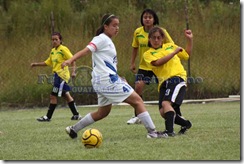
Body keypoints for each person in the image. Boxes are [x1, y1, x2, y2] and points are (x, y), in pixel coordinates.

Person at [62, 14, 167, 139]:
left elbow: (106, 64)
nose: (117, 28)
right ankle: (152, 132)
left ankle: (74, 129)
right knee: (138, 101)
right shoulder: (101, 38)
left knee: (102, 112)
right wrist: (70, 60)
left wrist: (119, 77)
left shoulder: (107, 41)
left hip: (103, 80)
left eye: (118, 25)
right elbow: (86, 50)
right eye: (114, 25)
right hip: (107, 80)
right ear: (105, 26)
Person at [127, 8, 174, 125]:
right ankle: (138, 116)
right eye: (145, 17)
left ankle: (174, 112)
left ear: (154, 19)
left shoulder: (161, 31)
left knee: (166, 89)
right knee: (138, 88)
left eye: (150, 17)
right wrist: (132, 62)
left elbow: (171, 45)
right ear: (142, 19)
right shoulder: (138, 32)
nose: (147, 19)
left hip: (160, 65)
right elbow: (135, 47)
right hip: (145, 66)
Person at [143, 26, 193, 136]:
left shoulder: (170, 46)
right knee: (163, 112)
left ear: (162, 38)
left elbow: (186, 55)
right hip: (163, 83)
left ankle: (169, 132)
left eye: (158, 38)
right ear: (149, 39)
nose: (156, 40)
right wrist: (173, 53)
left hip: (176, 78)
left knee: (166, 104)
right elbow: (158, 63)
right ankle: (186, 124)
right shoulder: (148, 54)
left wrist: (189, 40)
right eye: (153, 38)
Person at [31, 32, 82, 122]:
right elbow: (48, 62)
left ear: (60, 40)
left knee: (53, 95)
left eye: (56, 39)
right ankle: (76, 115)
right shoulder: (53, 51)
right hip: (56, 76)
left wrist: (73, 71)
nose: (54, 41)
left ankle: (48, 117)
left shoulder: (63, 49)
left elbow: (73, 59)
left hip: (62, 76)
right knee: (66, 95)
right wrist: (36, 64)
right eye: (53, 40)